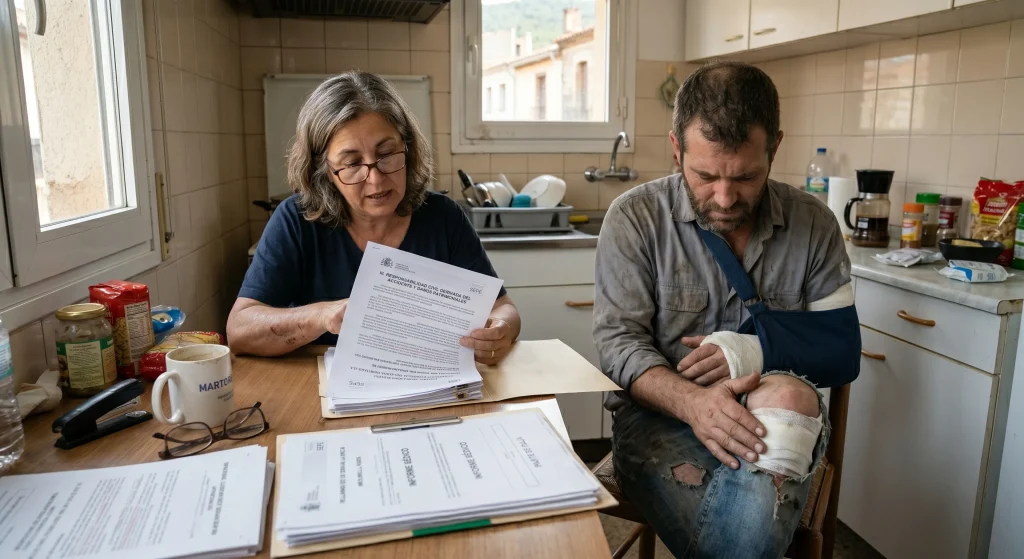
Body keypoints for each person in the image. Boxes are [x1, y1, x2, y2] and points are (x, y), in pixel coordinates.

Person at [593, 61, 860, 557]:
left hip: (776, 414)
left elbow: (843, 353)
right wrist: (693, 404)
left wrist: (752, 353)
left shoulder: (814, 224)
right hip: (659, 422)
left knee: (789, 407)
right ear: (676, 148)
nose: (724, 197)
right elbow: (617, 345)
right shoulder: (635, 218)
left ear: (774, 147)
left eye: (746, 177)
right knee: (754, 520)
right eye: (705, 175)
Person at [228, 72, 520, 361]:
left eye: (387, 154)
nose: (376, 179)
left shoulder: (443, 217)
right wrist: (320, 316)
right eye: (352, 163)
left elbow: (502, 306)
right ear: (325, 172)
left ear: (407, 148)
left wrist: (501, 329)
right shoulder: (296, 220)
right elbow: (239, 331)